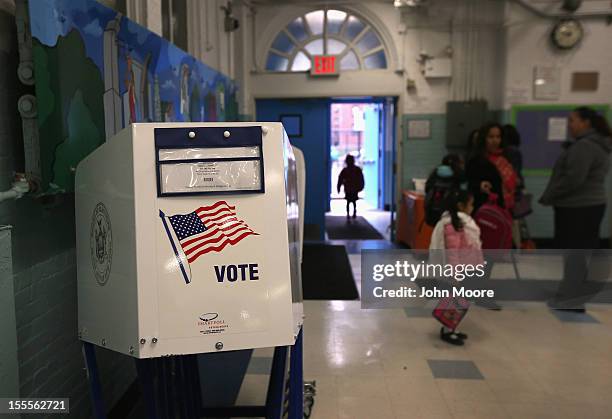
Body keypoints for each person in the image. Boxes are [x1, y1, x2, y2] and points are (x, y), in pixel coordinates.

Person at [540, 107, 612, 312]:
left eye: (572, 120)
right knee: (579, 253)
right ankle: (573, 295)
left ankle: (571, 299)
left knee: (574, 255)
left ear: (585, 123)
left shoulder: (585, 146)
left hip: (578, 207)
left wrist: (550, 196)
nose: (569, 125)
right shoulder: (598, 144)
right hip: (590, 205)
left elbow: (574, 179)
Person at [430, 188, 482, 345]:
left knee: (460, 301)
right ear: (460, 205)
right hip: (458, 271)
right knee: (454, 302)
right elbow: (452, 254)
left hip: (465, 268)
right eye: (470, 204)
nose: (472, 207)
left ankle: (452, 328)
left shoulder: (461, 222)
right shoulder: (453, 225)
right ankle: (447, 330)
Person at [466, 123, 517, 213]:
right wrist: (480, 185)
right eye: (491, 137)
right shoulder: (476, 160)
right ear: (483, 139)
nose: (495, 141)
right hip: (483, 209)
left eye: (498, 137)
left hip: (504, 208)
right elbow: (469, 182)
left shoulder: (505, 158)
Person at [424, 153, 465, 227]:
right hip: (451, 214)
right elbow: (464, 195)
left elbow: (427, 189)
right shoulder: (460, 175)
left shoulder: (434, 173)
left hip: (432, 211)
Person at [337, 154, 364, 220]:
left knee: (349, 201)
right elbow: (361, 179)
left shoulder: (346, 170)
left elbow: (340, 179)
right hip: (353, 188)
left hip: (350, 188)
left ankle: (349, 213)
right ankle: (353, 212)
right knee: (352, 201)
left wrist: (339, 187)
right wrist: (361, 186)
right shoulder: (357, 169)